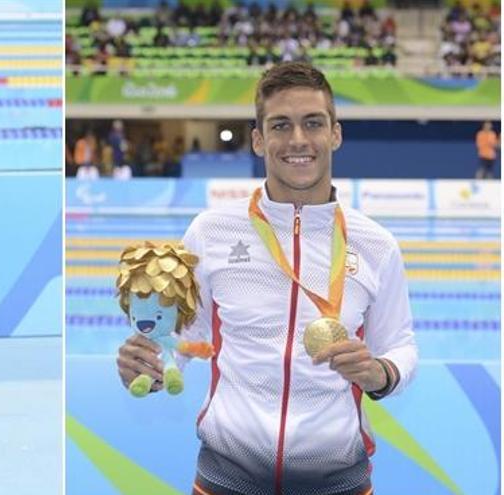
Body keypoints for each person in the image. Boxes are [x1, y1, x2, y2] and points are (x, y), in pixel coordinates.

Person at [116, 62, 417, 495]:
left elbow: (401, 344)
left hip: (336, 480)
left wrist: (379, 372)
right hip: (227, 477)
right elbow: (184, 335)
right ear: (259, 140)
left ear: (335, 133)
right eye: (281, 125)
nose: (298, 140)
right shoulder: (210, 231)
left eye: (313, 123)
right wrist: (150, 366)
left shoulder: (377, 245)